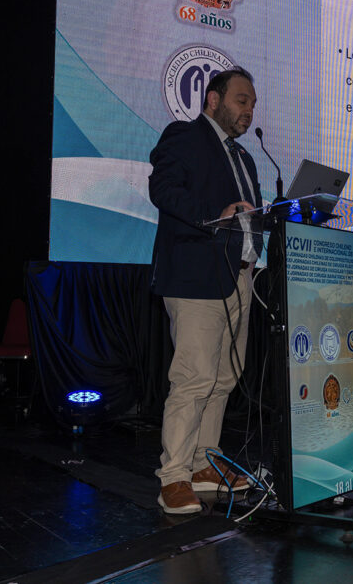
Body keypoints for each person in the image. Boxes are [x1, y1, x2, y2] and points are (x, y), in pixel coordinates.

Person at [148, 67, 262, 514]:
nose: (248, 111)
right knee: (194, 377)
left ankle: (203, 465)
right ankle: (173, 477)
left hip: (240, 277)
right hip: (196, 276)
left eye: (252, 104)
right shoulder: (184, 136)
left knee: (224, 378)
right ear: (213, 100)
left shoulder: (246, 158)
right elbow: (163, 190)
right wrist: (216, 214)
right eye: (241, 101)